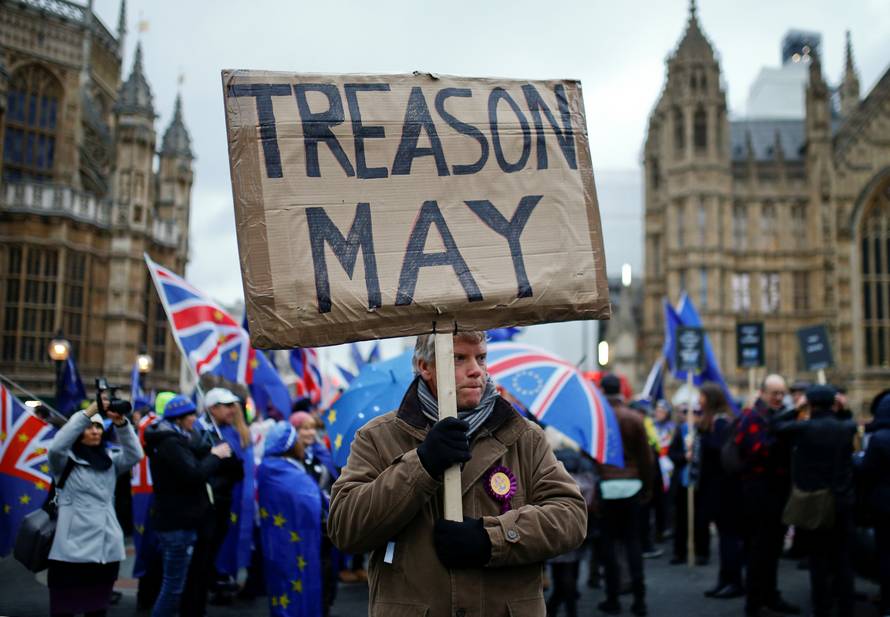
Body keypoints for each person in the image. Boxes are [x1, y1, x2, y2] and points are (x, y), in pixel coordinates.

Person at [328, 331, 587, 617]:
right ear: (425, 366)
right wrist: (422, 464)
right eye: (458, 358)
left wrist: (492, 539)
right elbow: (345, 529)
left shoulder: (524, 436)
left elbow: (571, 516)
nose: (476, 370)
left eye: (481, 358)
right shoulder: (378, 437)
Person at [46, 403, 143, 617]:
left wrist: (121, 423)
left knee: (97, 610)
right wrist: (89, 413)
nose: (95, 431)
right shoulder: (63, 462)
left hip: (104, 550)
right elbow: (56, 447)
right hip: (70, 553)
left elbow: (136, 455)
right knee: (64, 610)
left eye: (99, 427)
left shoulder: (110, 461)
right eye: (89, 427)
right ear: (77, 432)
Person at [145, 395, 232, 617]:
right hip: (177, 523)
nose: (195, 419)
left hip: (182, 520)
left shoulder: (177, 439)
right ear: (179, 418)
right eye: (191, 415)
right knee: (173, 588)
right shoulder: (170, 443)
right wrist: (215, 455)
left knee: (176, 584)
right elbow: (194, 474)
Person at [773, 385, 856, 617]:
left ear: (810, 404)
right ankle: (846, 608)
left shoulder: (804, 428)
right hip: (842, 502)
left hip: (815, 503)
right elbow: (849, 421)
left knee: (818, 560)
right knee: (842, 560)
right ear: (833, 403)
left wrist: (796, 407)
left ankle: (822, 608)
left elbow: (776, 426)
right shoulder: (846, 427)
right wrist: (844, 410)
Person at [736, 374, 799, 616]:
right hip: (758, 490)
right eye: (774, 393)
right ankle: (754, 602)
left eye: (782, 393)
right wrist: (779, 437)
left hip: (778, 489)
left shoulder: (778, 416)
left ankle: (770, 595)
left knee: (773, 548)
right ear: (762, 392)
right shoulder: (753, 417)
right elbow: (753, 451)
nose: (779, 398)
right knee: (758, 550)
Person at [597, 373, 654, 616]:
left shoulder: (598, 419)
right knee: (633, 543)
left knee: (609, 545)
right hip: (631, 485)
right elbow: (646, 458)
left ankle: (613, 598)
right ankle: (639, 600)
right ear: (621, 389)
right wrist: (647, 487)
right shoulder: (634, 417)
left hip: (606, 487)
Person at [257, 421, 324, 616]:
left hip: (280, 542)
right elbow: (311, 502)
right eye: (297, 440)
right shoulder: (283, 472)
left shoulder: (271, 467)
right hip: (293, 543)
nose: (301, 444)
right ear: (289, 445)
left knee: (285, 584)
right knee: (292, 585)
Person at [195, 387, 252, 607]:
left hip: (230, 500)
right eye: (226, 405)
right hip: (207, 502)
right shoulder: (201, 430)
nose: (232, 409)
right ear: (212, 408)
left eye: (233, 405)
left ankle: (221, 579)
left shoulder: (235, 431)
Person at [696, 382, 745, 600]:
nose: (699, 401)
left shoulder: (722, 423)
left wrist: (701, 441)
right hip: (715, 487)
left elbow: (719, 451)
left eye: (702, 397)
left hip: (724, 489)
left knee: (728, 538)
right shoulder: (713, 422)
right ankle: (724, 579)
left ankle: (733, 581)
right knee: (725, 537)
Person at [855, 392, 890, 616]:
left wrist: (855, 459)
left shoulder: (879, 438)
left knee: (886, 554)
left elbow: (866, 469)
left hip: (884, 507)